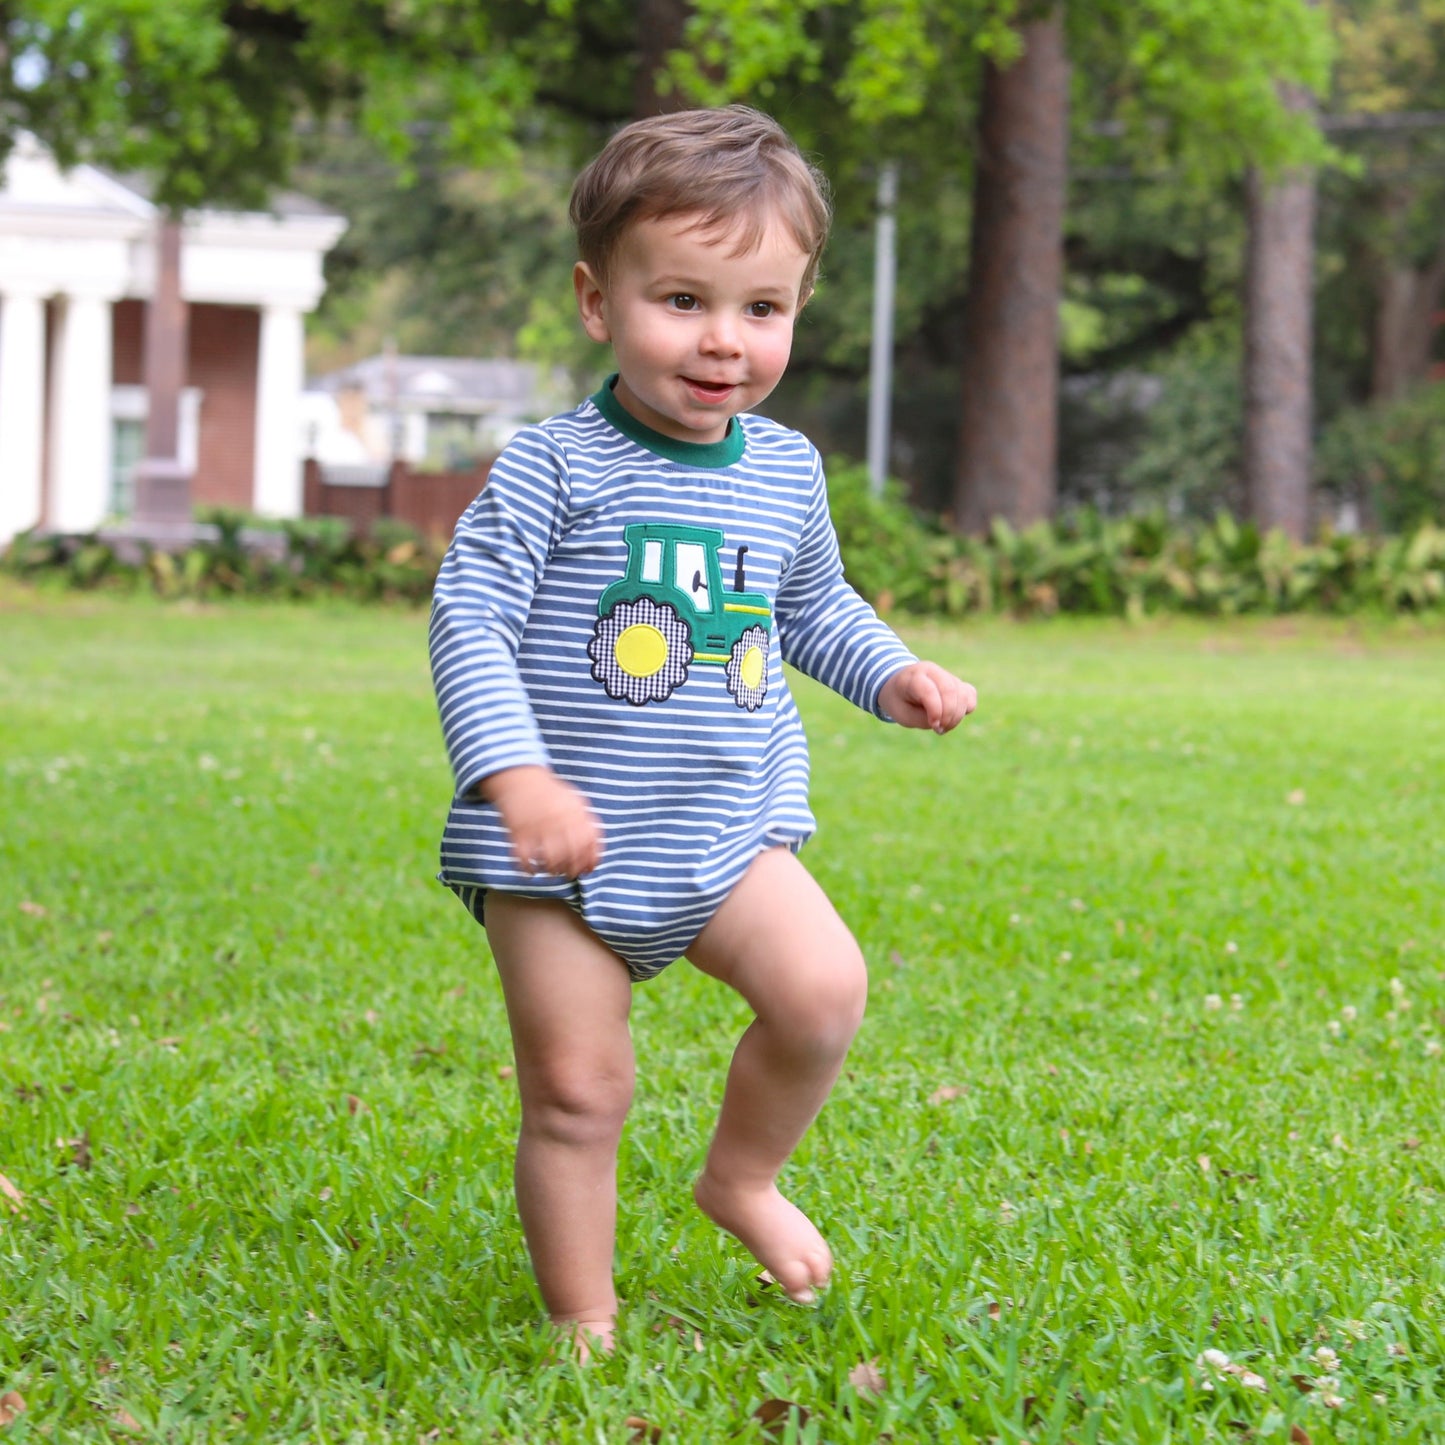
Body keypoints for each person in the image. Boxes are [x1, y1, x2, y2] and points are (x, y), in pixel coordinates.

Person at [429, 104, 977, 1356]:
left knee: (823, 987)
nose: (723, 341)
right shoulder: (550, 468)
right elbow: (467, 621)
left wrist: (888, 673)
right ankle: (584, 1319)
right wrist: (514, 778)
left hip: (725, 830)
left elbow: (810, 604)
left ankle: (739, 1177)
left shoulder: (783, 469)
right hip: (557, 847)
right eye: (681, 299)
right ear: (595, 301)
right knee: (579, 1088)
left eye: (762, 309)